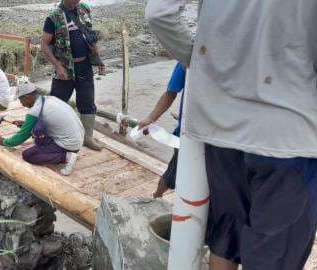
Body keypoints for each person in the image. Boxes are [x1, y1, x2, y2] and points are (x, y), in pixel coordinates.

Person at [146, 0, 317, 269]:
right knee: (275, 257)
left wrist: (205, 65)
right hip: (288, 135)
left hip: (219, 126)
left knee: (226, 237)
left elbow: (159, 13)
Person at [41, 0, 105, 151]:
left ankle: (87, 137)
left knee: (87, 102)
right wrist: (57, 66)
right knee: (56, 103)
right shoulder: (54, 16)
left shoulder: (85, 9)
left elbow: (90, 36)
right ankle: (50, 136)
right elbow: (44, 45)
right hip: (65, 67)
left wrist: (99, 60)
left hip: (85, 66)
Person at [0, 80, 83, 176]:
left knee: (28, 155)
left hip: (68, 145)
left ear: (27, 97)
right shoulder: (49, 99)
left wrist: (5, 142)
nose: (21, 104)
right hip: (77, 140)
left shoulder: (34, 110)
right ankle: (66, 152)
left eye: (21, 100)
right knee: (37, 135)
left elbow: (21, 137)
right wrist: (27, 124)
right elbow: (44, 122)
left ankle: (66, 156)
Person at [137, 63, 186, 198]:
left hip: (220, 137)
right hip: (189, 135)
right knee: (173, 173)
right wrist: (150, 119)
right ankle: (157, 196)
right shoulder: (187, 58)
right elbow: (171, 93)